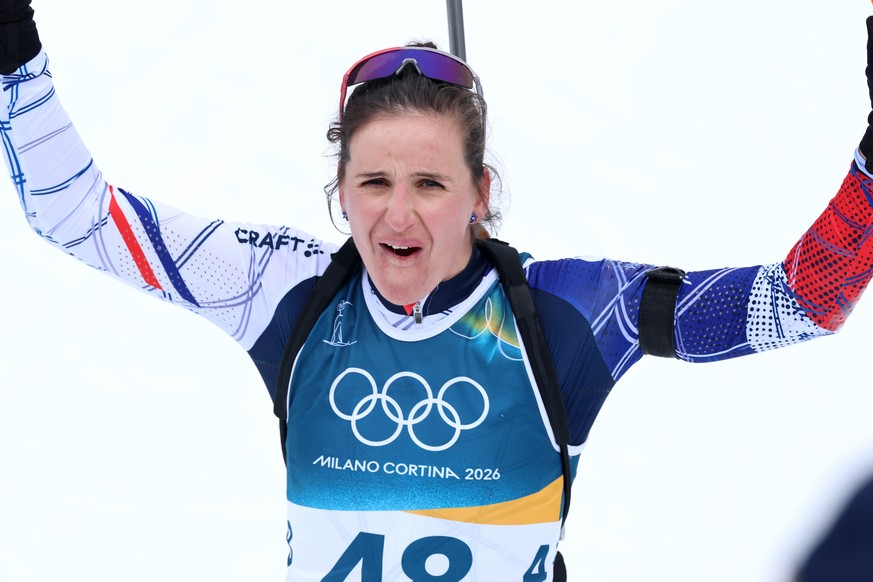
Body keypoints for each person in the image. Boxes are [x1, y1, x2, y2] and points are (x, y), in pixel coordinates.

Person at [2, 2, 872, 581]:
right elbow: (75, 215)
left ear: (480, 191)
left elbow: (796, 303)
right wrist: (14, 55)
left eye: (430, 183)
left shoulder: (568, 314)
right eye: (373, 182)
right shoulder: (285, 290)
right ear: (338, 192)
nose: (397, 215)